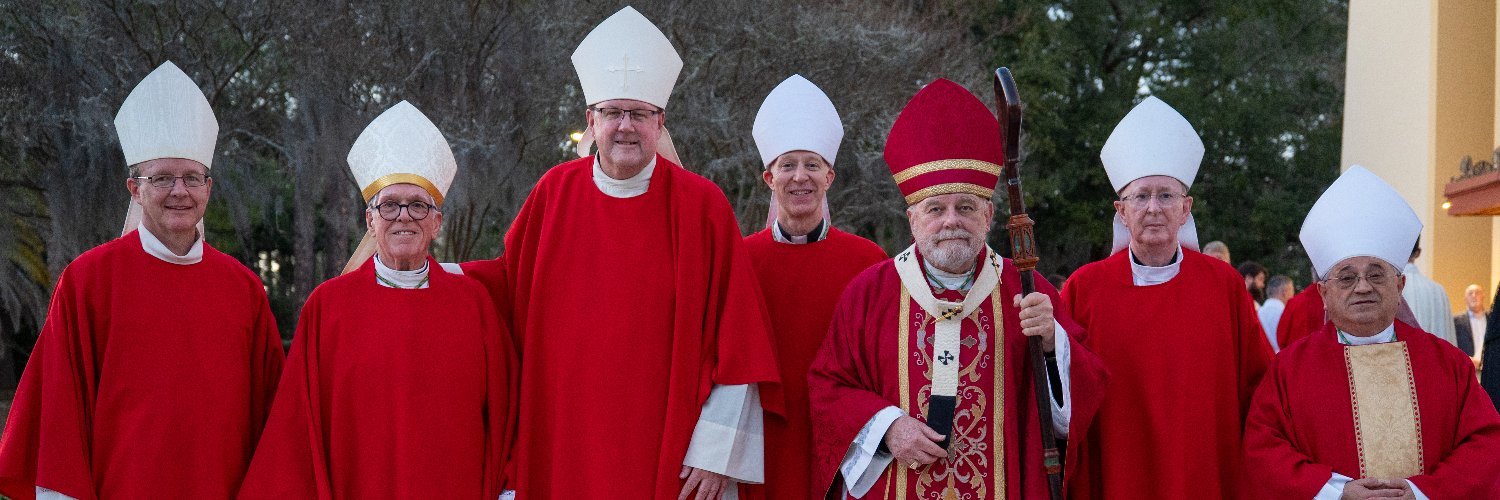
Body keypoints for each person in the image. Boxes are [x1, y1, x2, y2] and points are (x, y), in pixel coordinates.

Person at [458, 7, 780, 499]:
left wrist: (716, 454)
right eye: (613, 113)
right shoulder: (554, 192)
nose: (625, 126)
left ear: (660, 122)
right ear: (591, 121)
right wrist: (432, 276)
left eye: (639, 114)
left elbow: (739, 342)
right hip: (564, 441)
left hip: (667, 450)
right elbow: (507, 284)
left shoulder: (701, 206)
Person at [807, 79, 1107, 499]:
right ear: (912, 220)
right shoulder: (870, 294)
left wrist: (1053, 342)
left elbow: (1077, 406)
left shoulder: (1027, 291)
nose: (951, 221)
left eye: (965, 207)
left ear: (988, 215)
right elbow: (828, 387)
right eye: (935, 209)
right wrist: (887, 427)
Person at [0, 61, 284, 500]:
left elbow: (275, 422)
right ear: (134, 188)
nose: (179, 191)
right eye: (162, 178)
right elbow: (59, 411)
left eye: (191, 177)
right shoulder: (89, 281)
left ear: (208, 188)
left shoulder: (243, 290)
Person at [236, 101, 514, 498]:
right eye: (389, 205)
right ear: (370, 220)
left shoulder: (474, 305)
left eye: (419, 205)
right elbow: (297, 432)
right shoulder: (327, 308)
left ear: (437, 222)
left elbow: (506, 420)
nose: (404, 216)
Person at [1061, 96, 1272, 500]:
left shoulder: (1224, 285)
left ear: (1185, 209)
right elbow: (1063, 398)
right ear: (1121, 211)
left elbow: (1260, 389)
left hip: (1203, 474)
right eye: (1141, 196)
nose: (1153, 208)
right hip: (1118, 474)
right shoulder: (1083, 290)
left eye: (1166, 196)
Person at [1244, 166, 1500, 498]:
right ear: (1323, 293)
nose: (1363, 287)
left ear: (1400, 285)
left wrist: (1422, 492)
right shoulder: (1290, 369)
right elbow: (1263, 450)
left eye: (1376, 274)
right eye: (1347, 277)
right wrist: (1336, 492)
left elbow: (1486, 443)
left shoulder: (1448, 364)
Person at [737, 75, 887, 500]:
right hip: (764, 437)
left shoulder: (868, 262)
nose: (799, 177)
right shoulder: (742, 261)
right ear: (769, 177)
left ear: (830, 176)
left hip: (843, 439)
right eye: (787, 165)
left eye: (811, 165)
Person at [1400, 240, 1457, 346]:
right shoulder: (1438, 291)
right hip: (1434, 361)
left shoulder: (1390, 289)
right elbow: (1448, 344)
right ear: (1418, 253)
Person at [1455, 284, 1487, 369]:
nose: (1474, 296)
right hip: (1466, 371)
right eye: (1470, 293)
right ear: (1465, 298)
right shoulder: (1456, 322)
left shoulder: (1493, 320)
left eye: (1477, 293)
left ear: (1483, 296)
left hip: (1490, 371)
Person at [1259, 275, 1293, 352]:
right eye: (1292, 291)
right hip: (1282, 358)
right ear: (1285, 292)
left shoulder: (1258, 311)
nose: (1293, 295)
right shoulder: (1285, 313)